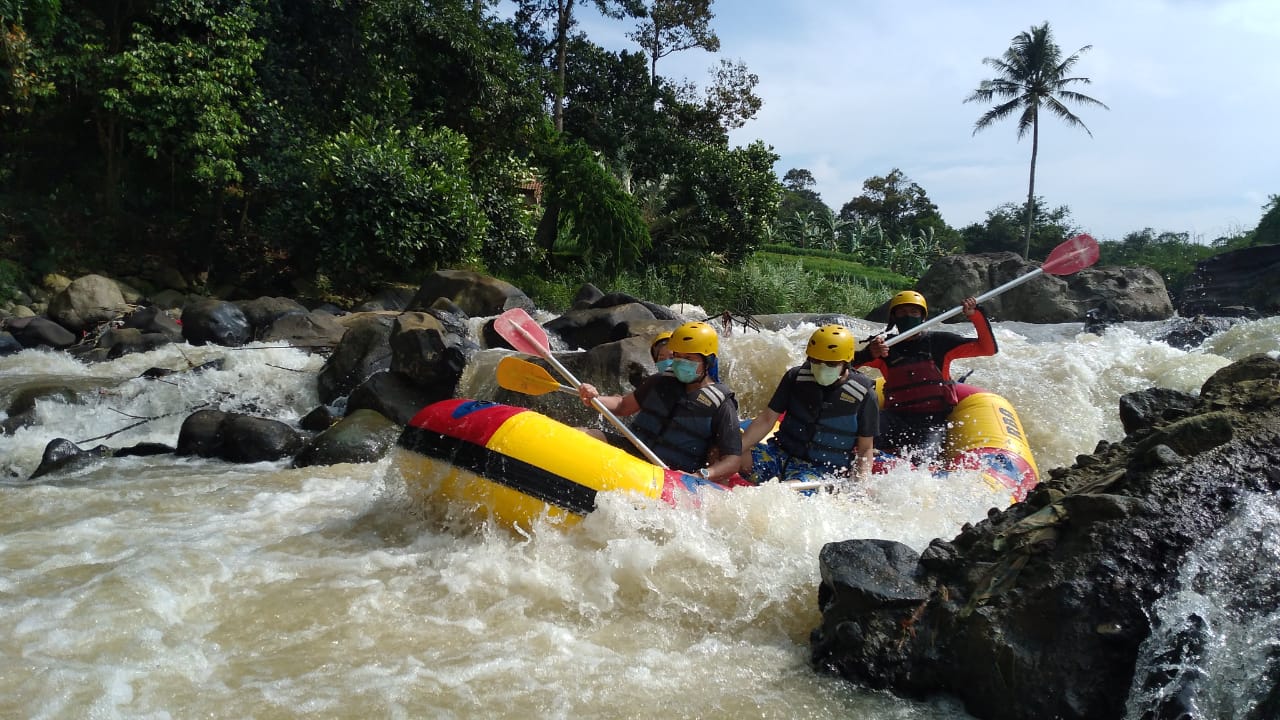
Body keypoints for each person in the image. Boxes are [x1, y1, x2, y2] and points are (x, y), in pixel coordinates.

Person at [578, 321, 742, 482]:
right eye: (677, 356)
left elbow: (732, 460)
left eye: (688, 358)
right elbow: (623, 406)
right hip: (632, 451)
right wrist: (595, 398)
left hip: (670, 474)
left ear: (708, 361)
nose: (680, 361)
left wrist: (702, 475)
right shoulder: (659, 381)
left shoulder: (722, 405)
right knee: (582, 434)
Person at [854, 290, 997, 461]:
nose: (908, 316)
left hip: (931, 423)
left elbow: (987, 349)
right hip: (895, 419)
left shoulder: (940, 342)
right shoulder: (884, 347)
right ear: (894, 318)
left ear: (922, 316)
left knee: (923, 462)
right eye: (902, 312)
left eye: (913, 312)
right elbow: (842, 366)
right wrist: (867, 354)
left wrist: (976, 315)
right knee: (855, 441)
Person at [738, 325, 879, 485]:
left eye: (831, 364)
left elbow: (866, 448)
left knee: (785, 491)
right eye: (816, 361)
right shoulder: (795, 377)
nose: (822, 367)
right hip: (779, 454)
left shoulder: (864, 395)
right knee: (726, 454)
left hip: (821, 470)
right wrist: (733, 451)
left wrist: (860, 485)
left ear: (846, 363)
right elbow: (767, 419)